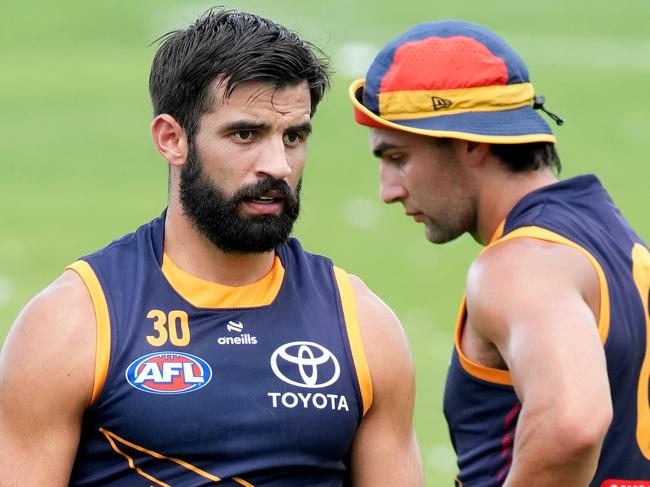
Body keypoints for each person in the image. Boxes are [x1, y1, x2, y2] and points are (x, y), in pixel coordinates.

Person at [0, 9, 424, 486]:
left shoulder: (362, 326)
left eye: (294, 136)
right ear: (172, 139)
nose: (279, 166)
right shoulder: (73, 324)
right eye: (246, 134)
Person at [350, 19, 650, 486]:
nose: (388, 190)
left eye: (397, 158)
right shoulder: (615, 238)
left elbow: (571, 425)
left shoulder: (519, 265)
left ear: (470, 142)